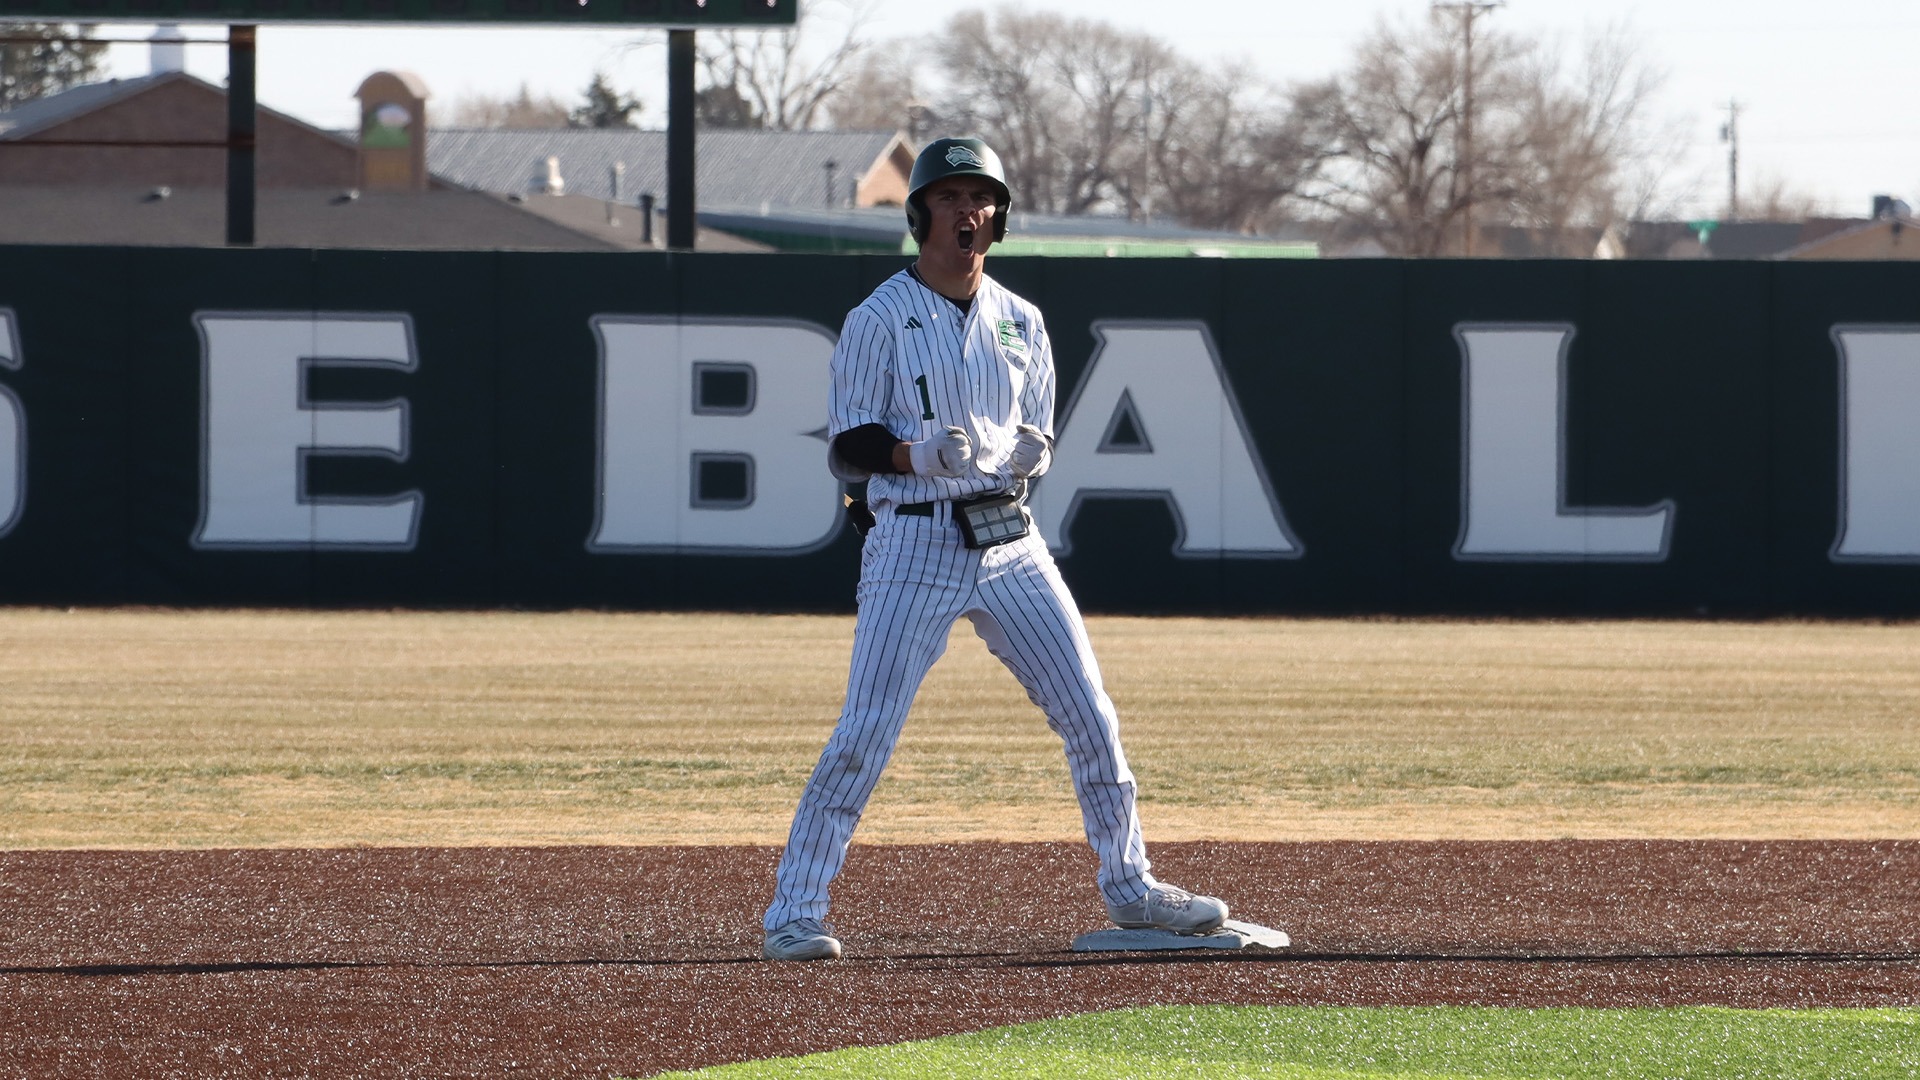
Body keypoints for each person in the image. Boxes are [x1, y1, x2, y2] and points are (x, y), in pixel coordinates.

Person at [761, 136, 1228, 961]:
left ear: (999, 218)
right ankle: (794, 912)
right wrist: (912, 455)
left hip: (1009, 540)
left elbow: (1035, 429)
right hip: (914, 540)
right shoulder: (878, 317)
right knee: (866, 733)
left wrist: (1032, 453)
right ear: (919, 215)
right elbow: (846, 446)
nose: (966, 212)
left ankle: (1131, 888)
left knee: (1091, 714)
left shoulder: (1022, 320)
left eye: (980, 198)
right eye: (948, 197)